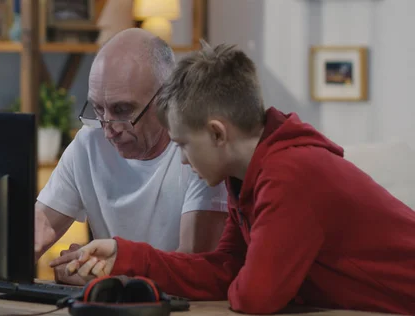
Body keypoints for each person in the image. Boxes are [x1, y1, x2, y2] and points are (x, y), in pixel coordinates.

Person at [49, 42, 415, 314]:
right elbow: (225, 269)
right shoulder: (244, 177)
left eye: (184, 145)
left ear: (218, 134)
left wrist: (272, 281)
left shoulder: (291, 176)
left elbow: (254, 296)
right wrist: (125, 254)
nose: (183, 160)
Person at [35, 29, 229, 285]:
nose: (108, 128)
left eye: (122, 110)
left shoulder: (196, 153)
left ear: (165, 98)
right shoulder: (88, 141)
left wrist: (99, 272)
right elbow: (40, 229)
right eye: (97, 108)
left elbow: (193, 268)